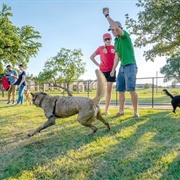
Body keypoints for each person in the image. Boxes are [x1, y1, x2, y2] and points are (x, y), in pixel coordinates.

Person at [102, 7, 139, 118]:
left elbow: (116, 28)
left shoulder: (125, 36)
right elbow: (117, 57)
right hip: (122, 67)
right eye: (111, 30)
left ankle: (136, 112)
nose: (112, 32)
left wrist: (107, 16)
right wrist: (113, 69)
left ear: (119, 28)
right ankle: (121, 111)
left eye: (113, 30)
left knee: (131, 89)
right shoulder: (117, 42)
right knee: (120, 90)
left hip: (130, 65)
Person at [90, 33, 116, 115]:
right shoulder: (100, 48)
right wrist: (98, 65)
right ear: (104, 40)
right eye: (106, 39)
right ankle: (96, 109)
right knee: (100, 91)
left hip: (111, 71)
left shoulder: (114, 48)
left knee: (109, 91)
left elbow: (117, 58)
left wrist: (113, 69)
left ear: (111, 39)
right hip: (102, 72)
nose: (107, 40)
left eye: (109, 38)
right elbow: (91, 57)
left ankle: (106, 110)